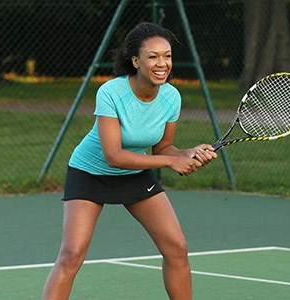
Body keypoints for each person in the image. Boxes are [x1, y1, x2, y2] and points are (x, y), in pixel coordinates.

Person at [42, 22, 217, 300]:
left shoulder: (171, 97)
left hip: (136, 173)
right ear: (135, 61)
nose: (162, 64)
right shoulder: (111, 92)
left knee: (177, 248)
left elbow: (164, 147)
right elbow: (114, 156)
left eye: (167, 56)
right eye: (153, 56)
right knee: (72, 254)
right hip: (90, 173)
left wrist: (186, 153)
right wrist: (170, 163)